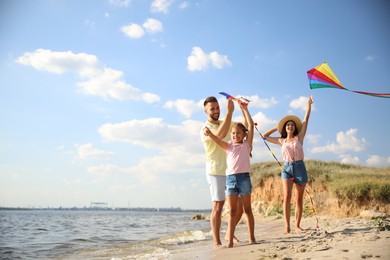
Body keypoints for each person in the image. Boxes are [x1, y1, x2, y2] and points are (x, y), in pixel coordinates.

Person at [203, 103, 256, 248]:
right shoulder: (229, 145)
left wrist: (244, 109)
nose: (235, 135)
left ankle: (252, 237)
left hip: (244, 178)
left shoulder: (247, 145)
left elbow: (250, 126)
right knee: (232, 211)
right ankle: (229, 240)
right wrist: (210, 134)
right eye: (233, 133)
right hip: (231, 179)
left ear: (244, 134)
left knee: (247, 209)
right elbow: (218, 140)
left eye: (238, 133)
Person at [263, 96, 314, 234]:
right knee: (287, 197)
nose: (290, 126)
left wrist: (308, 104)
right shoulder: (281, 140)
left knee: (298, 199)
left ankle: (297, 225)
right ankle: (287, 226)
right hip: (287, 168)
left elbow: (306, 119)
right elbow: (264, 137)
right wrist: (277, 126)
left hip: (300, 168)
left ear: (294, 127)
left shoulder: (300, 137)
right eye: (287, 125)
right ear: (285, 128)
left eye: (291, 125)